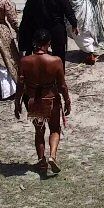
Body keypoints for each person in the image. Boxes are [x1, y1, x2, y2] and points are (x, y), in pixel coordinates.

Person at [14, 28, 71, 175]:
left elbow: (20, 85)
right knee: (55, 129)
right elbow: (62, 85)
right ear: (49, 43)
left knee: (39, 132)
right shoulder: (55, 61)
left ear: (34, 43)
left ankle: (42, 161)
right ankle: (52, 156)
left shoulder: (24, 61)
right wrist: (67, 100)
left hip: (33, 100)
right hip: (51, 99)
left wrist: (17, 102)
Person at [19, 0, 76, 64]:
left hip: (37, 27)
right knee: (59, 55)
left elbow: (27, 12)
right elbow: (68, 11)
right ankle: (58, 72)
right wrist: (74, 24)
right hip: (56, 28)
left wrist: (24, 29)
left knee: (37, 53)